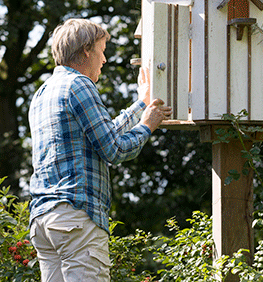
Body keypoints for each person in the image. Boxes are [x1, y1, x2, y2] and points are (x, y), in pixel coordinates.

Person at [28, 18, 171, 282]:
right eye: (102, 50)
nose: (104, 60)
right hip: (76, 217)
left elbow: (102, 132)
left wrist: (141, 104)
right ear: (86, 50)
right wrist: (147, 127)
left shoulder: (42, 93)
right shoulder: (80, 85)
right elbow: (114, 150)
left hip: (45, 221)